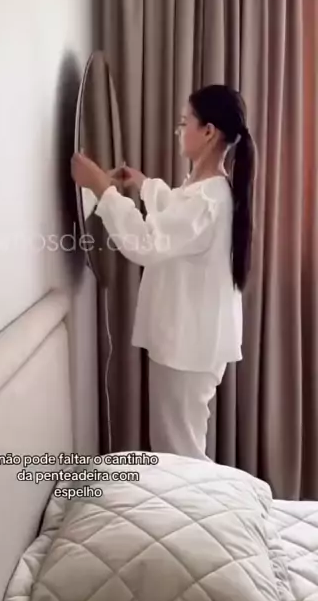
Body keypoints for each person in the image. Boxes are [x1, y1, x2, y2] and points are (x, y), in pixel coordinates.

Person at [71, 84, 257, 460]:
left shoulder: (206, 199)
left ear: (208, 132)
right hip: (190, 344)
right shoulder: (208, 191)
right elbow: (174, 210)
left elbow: (147, 243)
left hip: (187, 347)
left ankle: (204, 500)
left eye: (184, 122)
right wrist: (142, 185)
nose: (179, 130)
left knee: (180, 455)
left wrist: (104, 191)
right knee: (179, 451)